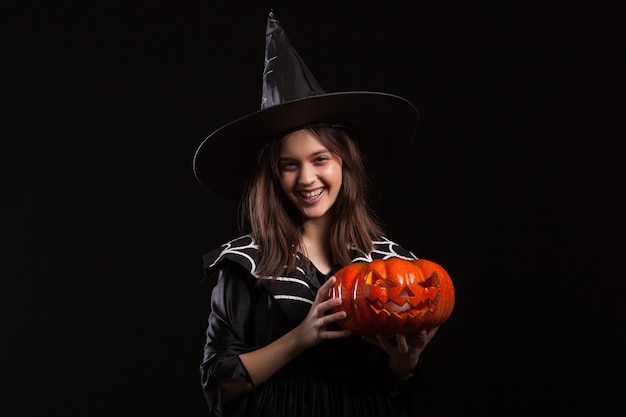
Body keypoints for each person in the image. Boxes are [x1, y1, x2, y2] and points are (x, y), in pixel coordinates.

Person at [193, 11, 441, 417]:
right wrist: (302, 336)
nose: (307, 178)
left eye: (320, 158)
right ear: (273, 176)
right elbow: (219, 385)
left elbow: (397, 395)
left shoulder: (390, 265)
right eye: (289, 165)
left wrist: (404, 364)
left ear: (344, 162)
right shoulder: (245, 264)